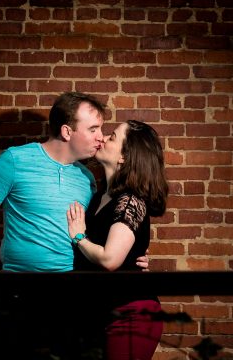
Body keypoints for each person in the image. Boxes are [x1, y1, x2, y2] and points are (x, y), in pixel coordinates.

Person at [0, 91, 106, 358]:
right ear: (67, 131)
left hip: (70, 295)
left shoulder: (87, 178)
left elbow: (95, 236)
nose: (101, 136)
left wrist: (135, 257)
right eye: (94, 129)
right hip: (19, 291)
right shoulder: (14, 161)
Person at [67, 119, 169, 360]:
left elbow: (110, 260)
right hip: (103, 313)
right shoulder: (98, 198)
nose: (102, 138)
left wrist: (78, 237)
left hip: (131, 313)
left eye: (112, 137)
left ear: (125, 156)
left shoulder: (131, 200)